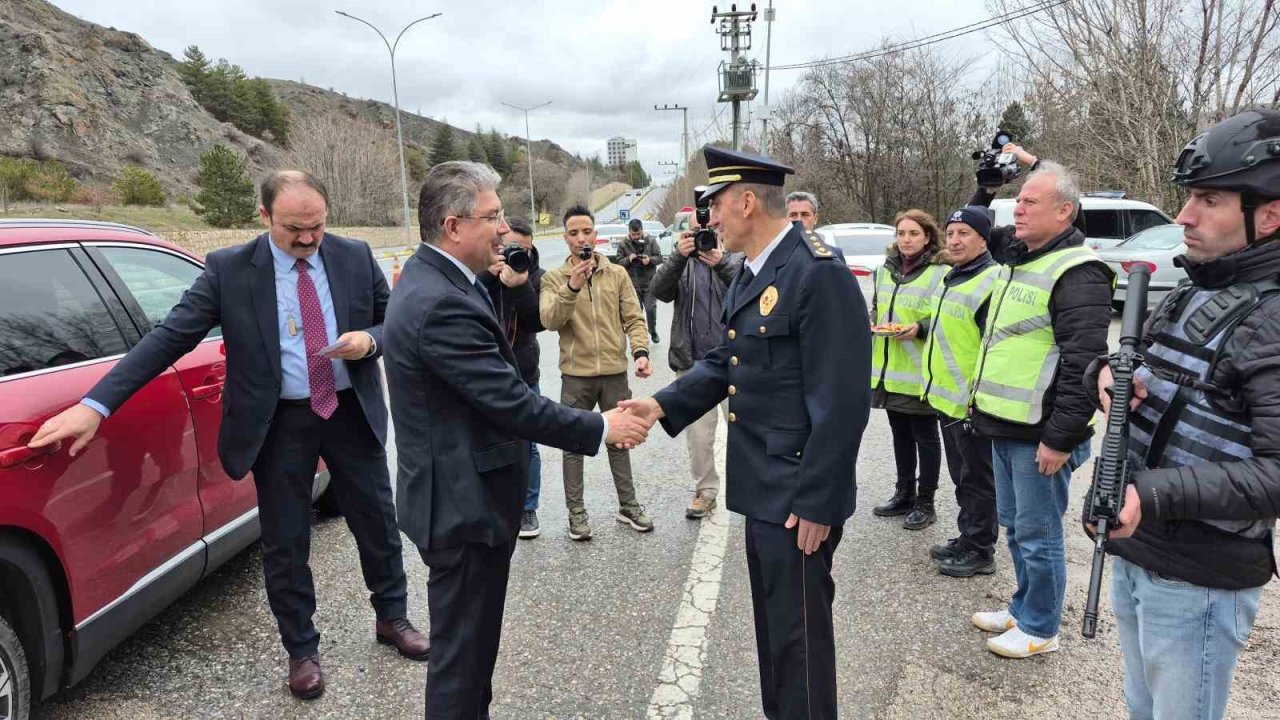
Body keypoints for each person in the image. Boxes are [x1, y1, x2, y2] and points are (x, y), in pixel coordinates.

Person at [28, 171, 427, 700]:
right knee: (285, 542)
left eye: (317, 227)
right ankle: (302, 650)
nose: (308, 239)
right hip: (278, 422)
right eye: (294, 229)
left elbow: (391, 320)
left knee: (377, 520)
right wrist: (95, 405)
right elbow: (169, 337)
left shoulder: (353, 255)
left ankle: (392, 617)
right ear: (263, 217)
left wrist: (369, 342)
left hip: (348, 411)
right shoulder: (229, 270)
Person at [383, 161, 652, 718]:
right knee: (461, 665)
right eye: (493, 217)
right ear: (454, 225)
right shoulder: (443, 303)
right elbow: (510, 402)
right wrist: (602, 426)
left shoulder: (444, 280)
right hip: (463, 507)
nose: (504, 229)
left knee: (471, 657)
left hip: (457, 498)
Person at [621, 146, 871, 720]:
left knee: (800, 640)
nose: (709, 220)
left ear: (749, 201)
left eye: (715, 207)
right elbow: (726, 362)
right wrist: (660, 406)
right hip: (764, 488)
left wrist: (819, 502)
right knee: (776, 630)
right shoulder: (755, 271)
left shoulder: (816, 273)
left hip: (796, 495)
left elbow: (843, 403)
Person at [1085, 108, 1280, 720]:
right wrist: (1109, 379)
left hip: (1199, 576)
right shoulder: (1198, 288)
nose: (1184, 216)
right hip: (1139, 548)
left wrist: (1156, 494)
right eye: (1189, 196)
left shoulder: (1273, 319)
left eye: (1209, 200)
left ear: (1270, 213)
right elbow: (1162, 378)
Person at [966, 157, 1115, 658]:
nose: (1019, 210)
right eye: (1018, 200)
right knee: (1016, 525)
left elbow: (1084, 367)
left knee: (1039, 533)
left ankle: (1041, 627)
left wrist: (1060, 438)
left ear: (1064, 211)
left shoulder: (1078, 271)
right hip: (1005, 424)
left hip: (1040, 434)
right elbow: (977, 231)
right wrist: (984, 194)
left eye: (1030, 202)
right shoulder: (1023, 253)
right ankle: (1023, 606)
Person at [540, 205, 656, 540]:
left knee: (621, 441)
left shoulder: (616, 273)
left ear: (595, 234)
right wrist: (571, 287)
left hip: (614, 374)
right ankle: (576, 513)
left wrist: (641, 352)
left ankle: (628, 505)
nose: (581, 238)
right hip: (576, 377)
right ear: (565, 239)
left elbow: (634, 318)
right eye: (573, 233)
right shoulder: (553, 278)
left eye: (586, 231)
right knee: (572, 445)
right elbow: (549, 320)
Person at [921, 207, 1000, 577]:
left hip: (971, 403)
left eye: (964, 233)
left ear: (984, 239)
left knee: (978, 478)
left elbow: (993, 347)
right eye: (950, 233)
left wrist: (976, 398)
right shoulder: (954, 276)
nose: (954, 240)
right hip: (947, 398)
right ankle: (968, 536)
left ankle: (981, 549)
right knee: (962, 475)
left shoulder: (990, 280)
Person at [650, 221, 744, 518]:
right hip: (692, 362)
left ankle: (752, 490)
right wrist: (678, 255)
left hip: (736, 363)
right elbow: (659, 292)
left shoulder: (737, 257)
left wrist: (721, 263)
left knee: (747, 432)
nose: (703, 235)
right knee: (699, 439)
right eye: (695, 231)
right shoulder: (682, 263)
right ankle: (705, 492)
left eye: (709, 228)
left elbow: (749, 291)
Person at [869, 210, 947, 530]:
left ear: (927, 237)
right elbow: (877, 307)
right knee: (900, 435)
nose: (906, 240)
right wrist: (874, 325)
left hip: (921, 372)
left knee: (925, 437)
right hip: (890, 370)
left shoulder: (939, 272)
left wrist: (919, 327)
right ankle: (904, 493)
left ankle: (926, 502)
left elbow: (945, 316)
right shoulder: (883, 271)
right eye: (901, 233)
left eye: (913, 233)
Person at [478, 215, 548, 539]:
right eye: (511, 249)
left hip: (524, 370)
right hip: (488, 371)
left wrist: (520, 286)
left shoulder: (537, 276)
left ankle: (528, 508)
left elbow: (537, 322)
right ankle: (489, 504)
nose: (518, 255)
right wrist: (488, 278)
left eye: (524, 250)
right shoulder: (485, 273)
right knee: (486, 440)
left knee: (528, 445)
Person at [617, 217, 664, 343]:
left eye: (638, 234)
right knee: (636, 314)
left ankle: (652, 331)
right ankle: (640, 338)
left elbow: (659, 257)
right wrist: (629, 259)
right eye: (634, 234)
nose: (636, 237)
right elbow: (619, 262)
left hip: (649, 283)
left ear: (642, 230)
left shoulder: (651, 241)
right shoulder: (623, 244)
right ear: (629, 232)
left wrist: (650, 260)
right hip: (632, 284)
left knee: (650, 309)